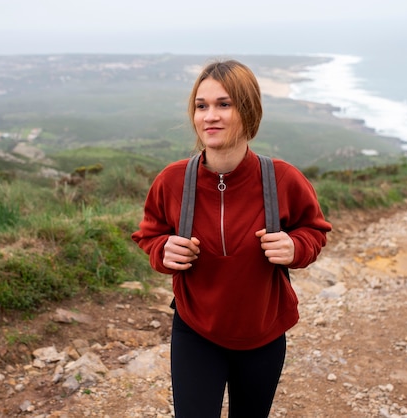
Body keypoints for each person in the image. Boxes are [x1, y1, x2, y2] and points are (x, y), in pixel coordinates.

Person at [131, 59, 332, 417]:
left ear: (249, 110)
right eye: (201, 106)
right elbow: (149, 234)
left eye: (224, 104)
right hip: (195, 331)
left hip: (264, 333)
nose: (210, 116)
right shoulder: (173, 180)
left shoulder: (283, 179)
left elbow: (314, 230)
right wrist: (163, 250)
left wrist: (295, 246)